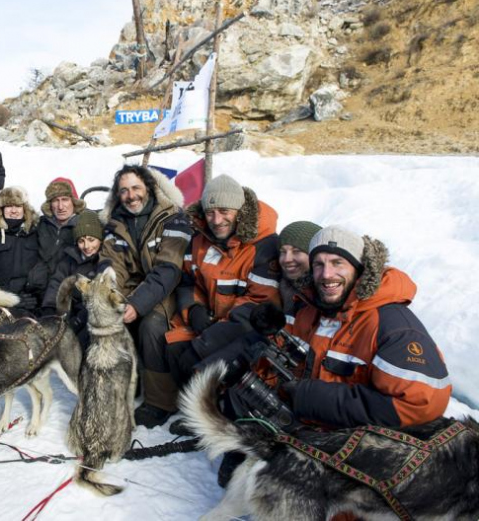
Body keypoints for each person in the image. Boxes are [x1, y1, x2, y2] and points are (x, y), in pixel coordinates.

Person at [282, 225, 451, 429]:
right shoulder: (308, 309)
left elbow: (420, 404)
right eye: (319, 264)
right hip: (296, 428)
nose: (327, 274)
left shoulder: (393, 326)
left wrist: (316, 399)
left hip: (350, 448)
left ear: (359, 268)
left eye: (338, 263)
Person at [166, 174, 281, 390]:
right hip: (209, 320)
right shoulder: (200, 239)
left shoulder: (263, 246)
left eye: (224, 212)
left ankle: (213, 411)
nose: (216, 220)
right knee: (173, 348)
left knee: (195, 362)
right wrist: (193, 308)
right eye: (210, 213)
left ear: (240, 212)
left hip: (244, 331)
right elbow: (188, 280)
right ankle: (180, 406)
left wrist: (209, 338)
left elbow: (258, 305)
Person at [99, 164, 192, 428]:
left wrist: (137, 304)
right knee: (108, 317)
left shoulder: (173, 218)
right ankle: (127, 385)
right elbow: (110, 262)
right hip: (132, 288)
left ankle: (160, 401)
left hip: (170, 288)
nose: (131, 196)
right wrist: (113, 296)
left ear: (149, 188)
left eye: (136, 188)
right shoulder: (116, 222)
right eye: (124, 190)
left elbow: (169, 269)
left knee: (152, 323)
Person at [41, 209, 104, 343]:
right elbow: (56, 282)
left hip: (92, 316)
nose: (87, 246)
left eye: (91, 240)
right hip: (70, 311)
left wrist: (79, 320)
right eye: (81, 241)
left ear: (100, 239)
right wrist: (49, 308)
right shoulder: (70, 259)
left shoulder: (104, 260)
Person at [35, 177, 88, 295]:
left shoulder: (84, 227)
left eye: (65, 199)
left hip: (68, 293)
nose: (60, 206)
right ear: (50, 204)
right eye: (55, 200)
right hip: (38, 290)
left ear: (73, 202)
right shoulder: (40, 225)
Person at [277, 220, 322, 314]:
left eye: (296, 251)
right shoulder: (281, 289)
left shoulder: (329, 294)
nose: (287, 259)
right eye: (283, 252)